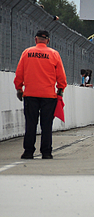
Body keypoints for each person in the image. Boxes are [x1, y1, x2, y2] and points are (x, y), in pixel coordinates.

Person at [14, 30, 67, 160]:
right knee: (46, 125)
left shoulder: (27, 53)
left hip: (30, 94)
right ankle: (46, 152)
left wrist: (19, 88)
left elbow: (19, 73)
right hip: (49, 96)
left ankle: (28, 151)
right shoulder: (54, 54)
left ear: (35, 39)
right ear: (48, 41)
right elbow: (61, 76)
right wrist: (60, 89)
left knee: (30, 123)